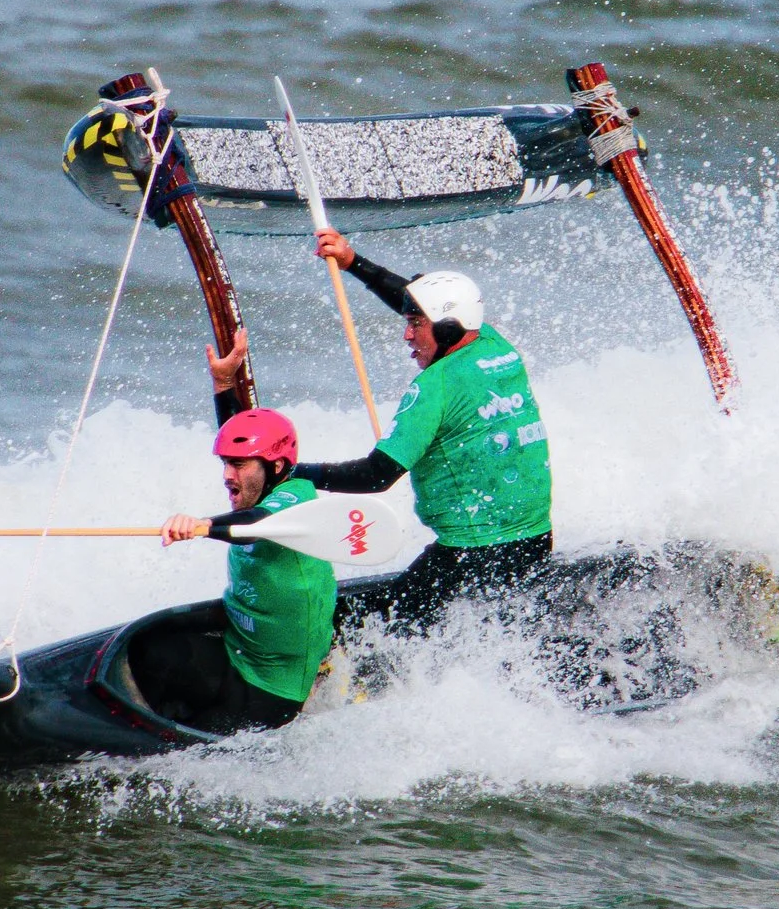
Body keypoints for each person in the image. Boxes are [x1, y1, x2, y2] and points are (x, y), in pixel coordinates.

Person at [215, 228, 551, 630]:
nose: (406, 334)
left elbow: (375, 477)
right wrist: (352, 261)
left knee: (373, 630)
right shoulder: (495, 346)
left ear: (446, 330)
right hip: (536, 542)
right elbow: (416, 297)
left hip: (471, 555)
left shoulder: (434, 388)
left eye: (415, 325)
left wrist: (283, 470)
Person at [152, 406, 337, 733]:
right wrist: (225, 383)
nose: (226, 475)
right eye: (225, 463)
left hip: (269, 689)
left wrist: (202, 525)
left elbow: (256, 524)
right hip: (237, 647)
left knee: (160, 661)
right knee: (153, 646)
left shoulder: (295, 498)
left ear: (276, 466)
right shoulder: (265, 482)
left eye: (237, 465)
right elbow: (246, 434)